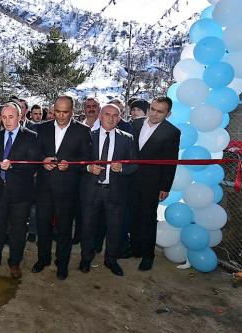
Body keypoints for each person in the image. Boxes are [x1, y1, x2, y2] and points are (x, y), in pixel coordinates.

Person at [32, 95, 92, 280]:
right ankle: (43, 259)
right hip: (43, 187)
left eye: (65, 112)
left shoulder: (82, 131)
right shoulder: (41, 128)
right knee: (42, 226)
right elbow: (33, 154)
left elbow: (88, 159)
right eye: (57, 111)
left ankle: (62, 264)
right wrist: (42, 161)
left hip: (68, 189)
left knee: (65, 229)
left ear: (72, 112)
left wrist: (71, 163)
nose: (61, 115)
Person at [79, 104, 138, 277]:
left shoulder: (127, 138)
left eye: (115, 115)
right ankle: (86, 258)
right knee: (88, 227)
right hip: (91, 191)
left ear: (120, 118)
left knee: (115, 229)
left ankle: (111, 260)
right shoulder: (89, 136)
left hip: (115, 192)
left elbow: (135, 165)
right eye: (107, 114)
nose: (111, 118)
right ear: (100, 116)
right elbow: (78, 162)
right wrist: (89, 168)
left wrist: (122, 169)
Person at [0, 102, 39, 279]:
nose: (7, 121)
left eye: (11, 117)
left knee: (18, 231)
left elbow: (32, 166)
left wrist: (12, 166)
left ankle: (14, 262)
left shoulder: (32, 137)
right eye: (4, 117)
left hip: (21, 193)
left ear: (20, 116)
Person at [125, 97, 180, 271]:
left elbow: (171, 161)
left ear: (168, 114)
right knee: (132, 215)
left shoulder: (172, 132)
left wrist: (165, 187)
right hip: (131, 179)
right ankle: (135, 248)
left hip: (152, 183)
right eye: (153, 109)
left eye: (160, 111)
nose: (155, 114)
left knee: (148, 219)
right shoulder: (135, 124)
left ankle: (148, 255)